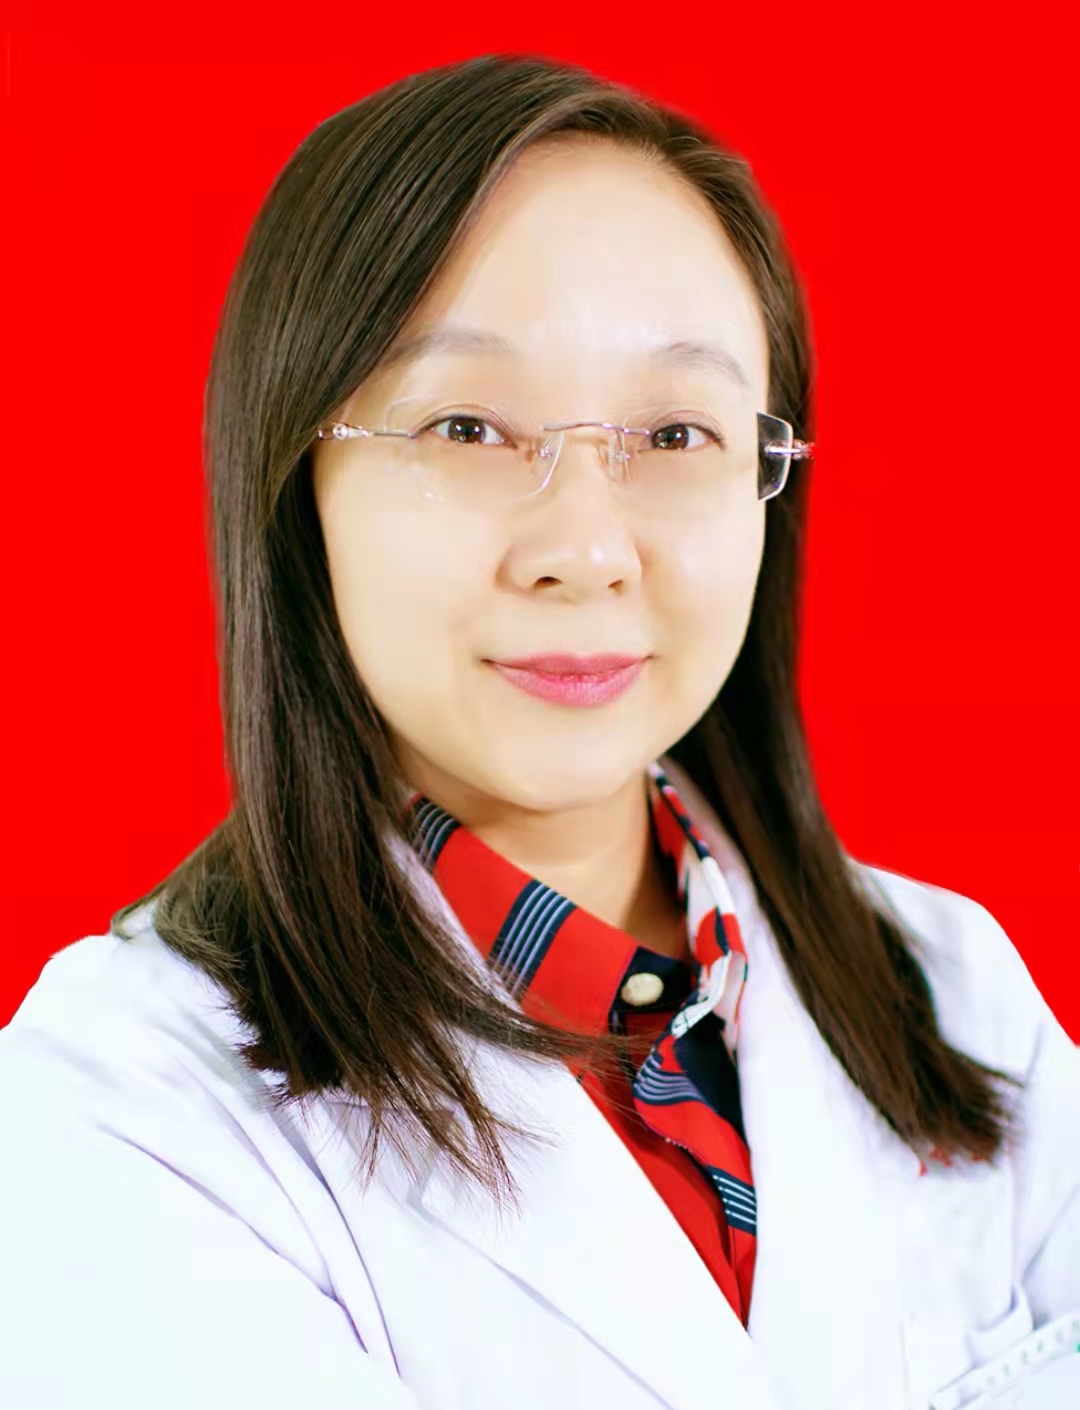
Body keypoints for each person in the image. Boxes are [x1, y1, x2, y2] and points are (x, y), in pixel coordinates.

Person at [0, 52, 1076, 1410]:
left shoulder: (952, 993)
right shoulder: (121, 1109)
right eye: (467, 426)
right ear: (295, 480)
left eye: (675, 435)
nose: (586, 548)